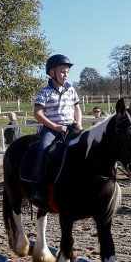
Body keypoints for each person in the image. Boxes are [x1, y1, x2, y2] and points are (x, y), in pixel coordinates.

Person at [32, 54, 82, 206]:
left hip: (71, 126)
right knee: (44, 148)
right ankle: (40, 186)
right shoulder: (44, 92)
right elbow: (37, 113)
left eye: (67, 72)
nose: (66, 75)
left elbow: (77, 108)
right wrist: (55, 127)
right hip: (52, 128)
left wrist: (78, 123)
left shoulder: (71, 90)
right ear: (52, 73)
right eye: (62, 72)